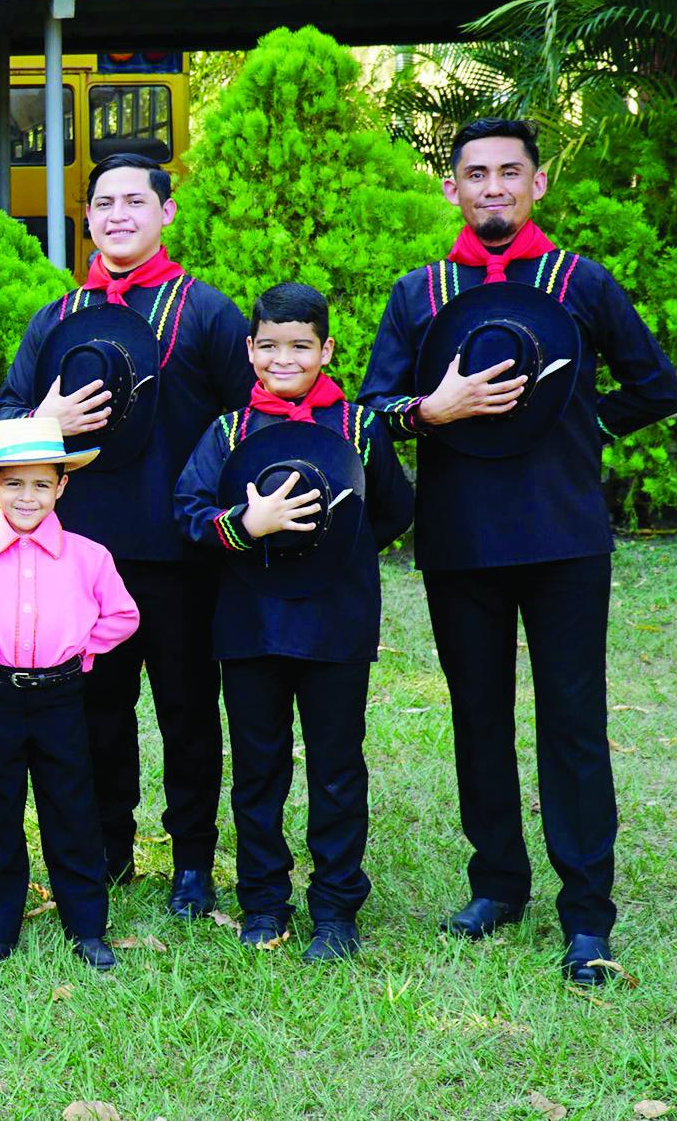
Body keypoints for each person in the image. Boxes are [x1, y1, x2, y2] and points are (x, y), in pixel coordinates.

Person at [359, 119, 677, 985]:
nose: (492, 186)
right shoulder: (420, 292)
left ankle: (587, 912)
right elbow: (375, 406)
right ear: (453, 188)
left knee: (573, 721)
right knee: (478, 714)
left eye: (509, 171)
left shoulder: (582, 281)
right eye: (476, 173)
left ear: (538, 183)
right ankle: (497, 883)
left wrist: (581, 426)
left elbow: (657, 386)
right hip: (461, 537)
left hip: (564, 536)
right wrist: (432, 410)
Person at [0, 153, 253, 917]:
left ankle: (193, 861)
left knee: (188, 710)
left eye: (134, 202)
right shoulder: (56, 318)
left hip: (181, 553)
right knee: (96, 710)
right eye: (103, 203)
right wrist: (44, 419)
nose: (117, 216)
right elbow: (4, 420)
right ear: (88, 218)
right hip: (81, 554)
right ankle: (108, 848)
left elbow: (247, 422)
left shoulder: (207, 312)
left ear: (165, 212)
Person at [175, 283, 414, 962]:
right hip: (250, 623)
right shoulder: (228, 431)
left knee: (337, 767)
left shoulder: (360, 428)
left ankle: (336, 906)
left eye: (301, 346)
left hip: (337, 622)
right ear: (250, 350)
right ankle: (263, 901)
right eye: (270, 345)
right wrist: (246, 526)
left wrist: (334, 553)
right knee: (258, 766)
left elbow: (393, 510)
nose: (285, 359)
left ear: (326, 349)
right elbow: (188, 511)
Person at [0, 416, 136, 971]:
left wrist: (81, 649)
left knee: (72, 808)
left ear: (62, 486)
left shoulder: (89, 557)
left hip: (63, 698)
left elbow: (123, 615)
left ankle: (86, 925)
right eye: (14, 482)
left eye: (41, 484)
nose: (27, 496)